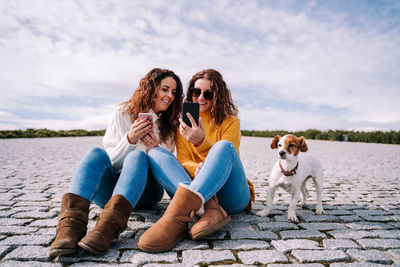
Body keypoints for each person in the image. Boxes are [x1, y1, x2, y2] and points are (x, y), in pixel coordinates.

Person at [49, 68, 183, 258]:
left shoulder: (169, 125)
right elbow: (110, 162)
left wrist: (155, 149)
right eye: (165, 89)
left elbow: (165, 169)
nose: (169, 96)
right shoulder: (122, 113)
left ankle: (107, 229)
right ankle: (69, 229)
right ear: (151, 88)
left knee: (138, 157)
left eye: (174, 92)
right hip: (111, 194)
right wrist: (130, 139)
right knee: (95, 153)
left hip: (146, 192)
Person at [137, 69, 255, 253]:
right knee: (155, 153)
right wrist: (197, 167)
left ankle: (177, 217)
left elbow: (228, 161)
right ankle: (210, 209)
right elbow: (183, 161)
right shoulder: (183, 125)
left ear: (218, 96)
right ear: (191, 92)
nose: (201, 97)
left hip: (230, 196)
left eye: (208, 93)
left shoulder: (230, 122)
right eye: (196, 92)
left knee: (223, 147)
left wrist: (201, 142)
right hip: (199, 190)